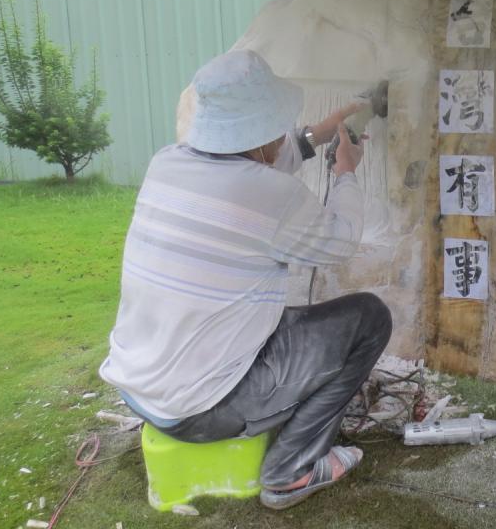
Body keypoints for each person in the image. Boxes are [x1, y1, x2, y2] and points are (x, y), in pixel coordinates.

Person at [99, 50, 392, 510]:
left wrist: (318, 133)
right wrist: (346, 173)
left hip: (138, 388)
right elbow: (340, 241)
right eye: (277, 128)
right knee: (369, 318)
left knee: (287, 321)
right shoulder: (272, 195)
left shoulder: (166, 163)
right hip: (198, 410)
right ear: (262, 135)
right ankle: (292, 470)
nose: (281, 136)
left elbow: (252, 165)